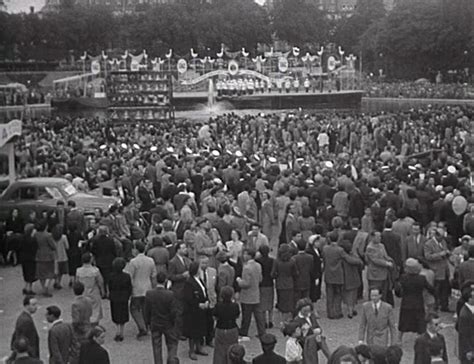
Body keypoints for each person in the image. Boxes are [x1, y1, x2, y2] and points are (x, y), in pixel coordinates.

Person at [144, 271, 179, 364]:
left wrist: (147, 323)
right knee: (172, 343)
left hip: (155, 323)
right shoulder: (170, 294)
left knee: (156, 346)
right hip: (168, 324)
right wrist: (173, 322)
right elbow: (173, 311)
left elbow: (146, 310)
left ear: (156, 280)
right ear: (165, 281)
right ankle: (171, 360)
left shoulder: (149, 293)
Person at [397, 258, 435, 342]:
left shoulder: (403, 278)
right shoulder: (421, 278)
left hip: (406, 303)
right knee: (420, 323)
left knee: (403, 322)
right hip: (418, 303)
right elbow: (430, 289)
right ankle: (421, 339)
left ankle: (399, 339)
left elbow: (398, 291)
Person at [125, 241, 157, 339]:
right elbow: (153, 275)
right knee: (145, 308)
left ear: (136, 250)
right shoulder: (150, 260)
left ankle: (142, 327)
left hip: (137, 288)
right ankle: (146, 325)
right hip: (148, 287)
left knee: (134, 309)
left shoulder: (133, 262)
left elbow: (129, 276)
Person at [237, 248, 266, 340]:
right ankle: (262, 332)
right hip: (256, 294)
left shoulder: (246, 268)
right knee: (259, 316)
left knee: (246, 316)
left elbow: (246, 283)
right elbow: (260, 279)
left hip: (247, 296)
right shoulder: (258, 265)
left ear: (249, 255)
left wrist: (238, 280)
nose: (244, 256)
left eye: (245, 254)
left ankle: (244, 332)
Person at [183, 261, 209, 360]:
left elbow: (204, 291)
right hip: (193, 311)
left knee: (200, 329)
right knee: (193, 332)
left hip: (202, 310)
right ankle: (191, 350)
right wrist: (198, 304)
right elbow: (188, 298)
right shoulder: (189, 282)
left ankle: (199, 347)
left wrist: (206, 301)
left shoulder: (200, 280)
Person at [424, 227, 451, 312]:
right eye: (440, 237)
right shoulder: (428, 244)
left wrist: (447, 253)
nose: (442, 239)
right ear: (436, 236)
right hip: (436, 270)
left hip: (444, 269)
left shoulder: (443, 242)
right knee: (436, 290)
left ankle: (444, 306)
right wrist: (440, 254)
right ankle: (435, 306)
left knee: (445, 289)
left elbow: (445, 250)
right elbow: (428, 256)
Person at [168, 241, 191, 340]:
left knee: (185, 311)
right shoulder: (173, 262)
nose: (185, 249)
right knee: (179, 312)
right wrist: (182, 276)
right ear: (178, 250)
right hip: (178, 289)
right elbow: (170, 276)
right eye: (183, 248)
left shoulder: (187, 260)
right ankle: (178, 332)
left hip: (186, 288)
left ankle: (185, 330)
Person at [212, 286, 240, 364]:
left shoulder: (218, 305)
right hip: (232, 328)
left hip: (220, 328)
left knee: (219, 351)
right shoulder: (235, 306)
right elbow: (237, 316)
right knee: (232, 350)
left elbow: (215, 317)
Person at [76, 252, 104, 325]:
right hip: (94, 292)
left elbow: (77, 282)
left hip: (83, 292)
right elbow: (100, 282)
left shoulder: (78, 271)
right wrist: (103, 291)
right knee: (95, 310)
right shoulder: (95, 270)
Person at [108, 257, 132, 341]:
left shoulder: (111, 276)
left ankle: (117, 331)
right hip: (123, 297)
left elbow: (110, 287)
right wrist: (128, 295)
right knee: (123, 314)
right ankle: (121, 331)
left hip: (114, 297)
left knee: (115, 314)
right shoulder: (127, 276)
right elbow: (129, 287)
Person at [272, 243, 297, 322]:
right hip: (289, 283)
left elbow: (273, 273)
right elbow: (296, 273)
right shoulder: (292, 261)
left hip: (280, 283)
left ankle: (282, 320)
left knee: (281, 302)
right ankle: (288, 319)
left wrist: (277, 276)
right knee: (289, 301)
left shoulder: (277, 262)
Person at [322, 231, 345, 319]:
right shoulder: (340, 250)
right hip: (338, 274)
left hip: (328, 274)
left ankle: (330, 313)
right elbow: (346, 258)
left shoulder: (325, 249)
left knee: (329, 295)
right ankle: (337, 311)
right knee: (338, 295)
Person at [90, 225, 117, 298]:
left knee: (101, 278)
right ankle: (108, 292)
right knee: (108, 277)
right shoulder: (110, 240)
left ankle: (102, 292)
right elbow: (114, 250)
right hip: (109, 260)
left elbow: (93, 250)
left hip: (100, 260)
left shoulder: (95, 240)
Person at [256, 244, 275, 329]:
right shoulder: (272, 260)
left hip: (261, 284)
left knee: (262, 305)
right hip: (270, 283)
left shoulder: (257, 261)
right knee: (270, 303)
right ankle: (270, 321)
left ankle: (263, 322)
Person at [35, 222, 56, 297]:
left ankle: (43, 287)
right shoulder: (48, 235)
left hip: (39, 255)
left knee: (41, 273)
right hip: (48, 255)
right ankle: (46, 287)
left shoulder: (36, 235)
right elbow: (53, 246)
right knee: (49, 272)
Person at [457, 287, 474, 364]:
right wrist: (468, 350)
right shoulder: (464, 314)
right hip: (469, 349)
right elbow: (464, 334)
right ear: (469, 299)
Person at [19, 224, 38, 295]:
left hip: (24, 258)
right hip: (31, 258)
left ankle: (25, 287)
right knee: (31, 274)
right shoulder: (33, 240)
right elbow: (35, 248)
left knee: (26, 273)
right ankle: (30, 289)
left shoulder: (22, 238)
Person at [51, 225, 69, 289]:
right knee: (61, 271)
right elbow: (67, 246)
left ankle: (55, 281)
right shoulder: (63, 237)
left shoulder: (51, 237)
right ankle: (59, 282)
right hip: (62, 256)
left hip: (54, 256)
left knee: (55, 270)